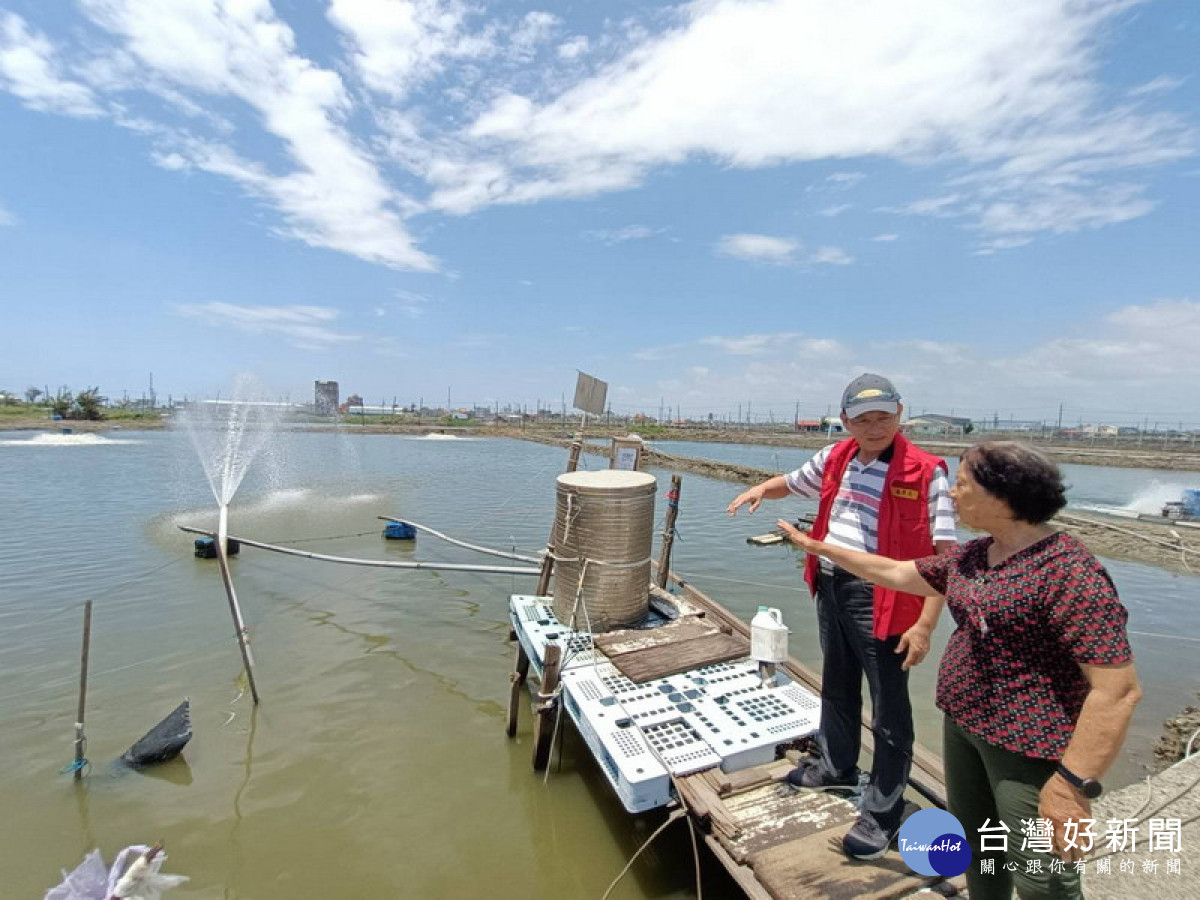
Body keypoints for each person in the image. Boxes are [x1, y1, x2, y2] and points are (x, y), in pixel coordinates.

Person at [777, 441, 1141, 899]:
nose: (951, 495)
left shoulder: (1069, 573)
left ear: (1002, 496)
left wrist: (1071, 784)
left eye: (963, 485)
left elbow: (1117, 691)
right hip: (966, 730)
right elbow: (895, 572)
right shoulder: (976, 555)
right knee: (982, 850)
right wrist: (814, 545)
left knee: (1040, 875)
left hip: (1026, 747)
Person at [727, 373, 957, 859]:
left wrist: (926, 624)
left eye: (884, 418)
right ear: (846, 420)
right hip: (832, 585)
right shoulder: (838, 456)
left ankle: (883, 812)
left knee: (889, 707)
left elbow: (945, 555)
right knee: (836, 683)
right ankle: (836, 767)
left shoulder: (925, 470)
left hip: (887, 597)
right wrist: (758, 491)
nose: (874, 428)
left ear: (900, 415)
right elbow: (791, 483)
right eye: (862, 419)